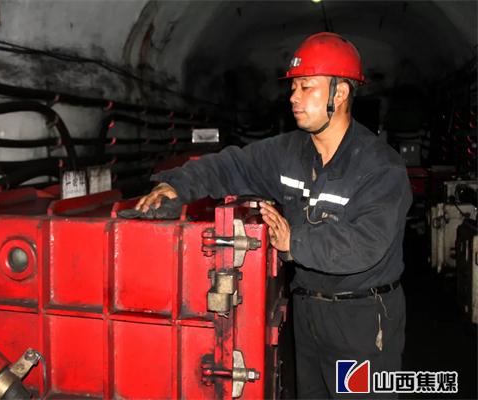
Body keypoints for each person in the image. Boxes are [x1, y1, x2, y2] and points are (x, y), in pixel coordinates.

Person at [135, 32, 411, 399]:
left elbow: (367, 244)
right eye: (293, 87)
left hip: (362, 318)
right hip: (308, 311)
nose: (293, 97)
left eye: (306, 87)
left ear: (340, 93)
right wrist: (175, 185)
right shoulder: (289, 153)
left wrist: (293, 242)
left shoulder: (380, 167)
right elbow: (232, 165)